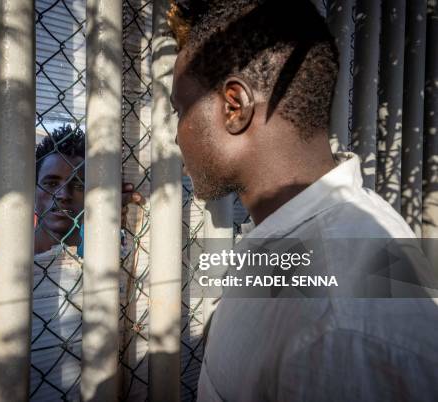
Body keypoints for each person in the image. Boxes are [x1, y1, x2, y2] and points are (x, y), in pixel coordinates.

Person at [167, 0, 438, 401]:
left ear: (234, 107)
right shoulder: (298, 236)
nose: (176, 137)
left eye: (180, 110)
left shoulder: (342, 326)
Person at [34, 124, 143, 255]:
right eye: (51, 184)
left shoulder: (103, 254)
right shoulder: (8, 252)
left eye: (78, 186)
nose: (63, 195)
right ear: (34, 191)